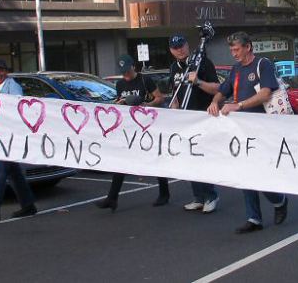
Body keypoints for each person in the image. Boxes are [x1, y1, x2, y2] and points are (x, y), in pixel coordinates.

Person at [207, 31, 288, 233]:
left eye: (236, 49)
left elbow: (265, 93)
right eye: (231, 50)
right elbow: (222, 90)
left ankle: (279, 200)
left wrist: (239, 105)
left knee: (261, 174)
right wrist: (214, 102)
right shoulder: (235, 69)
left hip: (263, 128)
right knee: (245, 173)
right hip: (241, 130)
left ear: (248, 47)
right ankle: (254, 218)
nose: (233, 53)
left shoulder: (263, 64)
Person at [95, 54, 170, 211]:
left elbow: (159, 98)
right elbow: (118, 102)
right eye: (123, 71)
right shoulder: (120, 84)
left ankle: (164, 193)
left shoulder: (144, 80)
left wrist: (145, 104)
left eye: (127, 70)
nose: (125, 74)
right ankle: (112, 198)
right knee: (121, 161)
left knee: (155, 157)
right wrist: (119, 103)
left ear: (133, 67)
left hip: (145, 124)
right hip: (128, 127)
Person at [0, 59, 38, 225]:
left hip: (9, 137)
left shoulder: (12, 87)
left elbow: (16, 109)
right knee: (13, 172)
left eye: (1, 70)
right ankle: (28, 204)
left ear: (6, 71)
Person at [167, 35, 221, 213]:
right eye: (175, 47)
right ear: (171, 50)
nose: (179, 50)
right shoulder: (174, 68)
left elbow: (217, 88)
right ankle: (198, 196)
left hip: (203, 117)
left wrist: (198, 82)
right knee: (189, 159)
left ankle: (211, 195)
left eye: (181, 45)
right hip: (185, 120)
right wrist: (174, 113)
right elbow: (175, 95)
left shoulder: (202, 63)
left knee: (202, 157)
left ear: (187, 45)